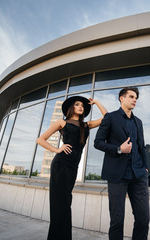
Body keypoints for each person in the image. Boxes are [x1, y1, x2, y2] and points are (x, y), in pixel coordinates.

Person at [37, 96, 107, 240]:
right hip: (60, 165)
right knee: (60, 204)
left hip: (72, 167)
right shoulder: (62, 122)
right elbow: (40, 140)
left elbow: (107, 117)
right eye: (77, 105)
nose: (80, 107)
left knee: (66, 202)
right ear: (71, 108)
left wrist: (96, 102)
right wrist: (57, 149)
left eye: (82, 105)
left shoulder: (86, 125)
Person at [94, 87, 150, 240]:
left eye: (136, 98)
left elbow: (141, 146)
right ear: (121, 98)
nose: (135, 100)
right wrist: (119, 149)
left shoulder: (138, 122)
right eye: (131, 97)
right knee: (117, 221)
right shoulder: (110, 118)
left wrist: (146, 168)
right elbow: (97, 142)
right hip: (118, 176)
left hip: (139, 175)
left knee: (144, 219)